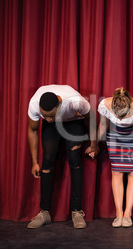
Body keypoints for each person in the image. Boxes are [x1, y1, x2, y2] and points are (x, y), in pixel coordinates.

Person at [27, 84, 99, 229]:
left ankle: (77, 212)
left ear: (60, 103)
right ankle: (44, 212)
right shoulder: (35, 104)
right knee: (47, 161)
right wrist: (34, 162)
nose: (48, 119)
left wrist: (94, 144)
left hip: (74, 121)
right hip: (53, 128)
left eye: (51, 115)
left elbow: (91, 117)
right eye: (44, 116)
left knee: (74, 159)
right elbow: (33, 130)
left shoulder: (75, 101)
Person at [93, 88, 133, 228]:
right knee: (116, 173)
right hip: (115, 138)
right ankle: (119, 213)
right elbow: (103, 125)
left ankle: (127, 213)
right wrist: (94, 145)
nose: (121, 118)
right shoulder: (105, 105)